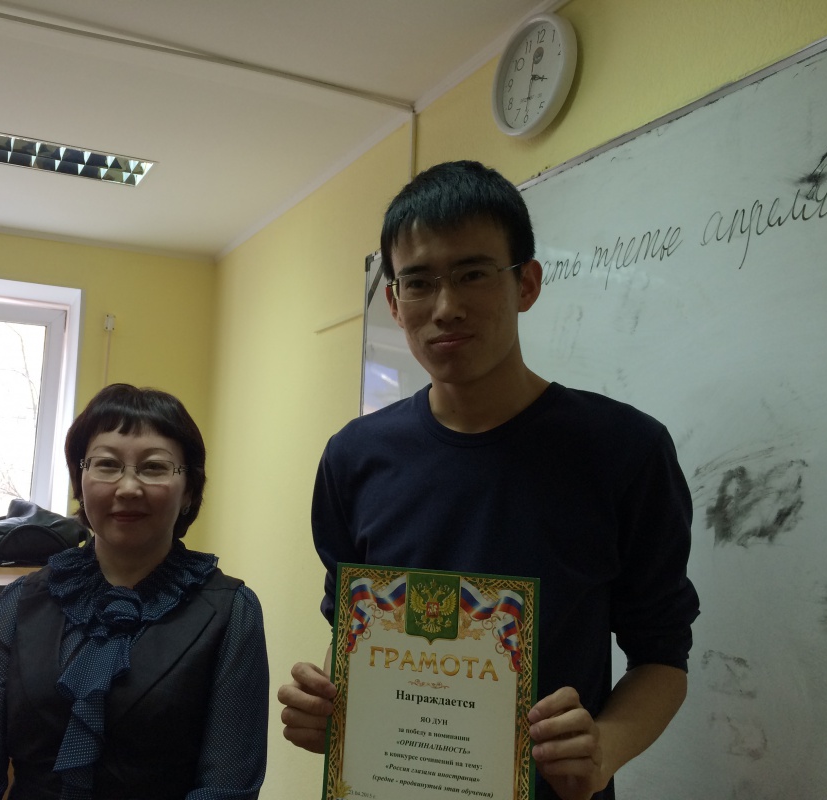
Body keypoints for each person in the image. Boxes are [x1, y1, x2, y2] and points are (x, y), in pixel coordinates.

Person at [277, 161, 699, 800]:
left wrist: (605, 747)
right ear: (393, 302)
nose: (446, 307)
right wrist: (331, 714)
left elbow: (662, 657)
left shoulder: (625, 451)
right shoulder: (353, 458)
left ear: (526, 283)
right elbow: (356, 634)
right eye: (418, 283)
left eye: (473, 274)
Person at [0, 384, 269, 800]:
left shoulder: (231, 613)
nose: (128, 487)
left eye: (154, 467)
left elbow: (225, 789)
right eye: (107, 465)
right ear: (80, 482)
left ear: (189, 491)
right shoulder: (19, 603)